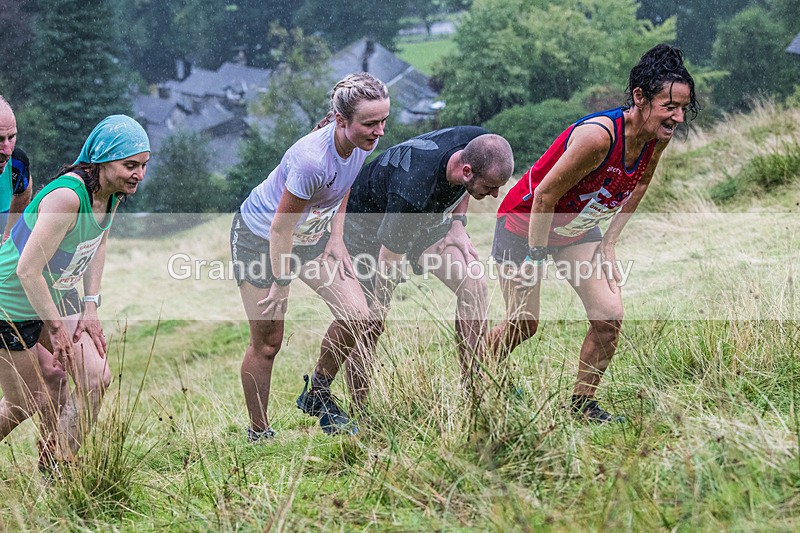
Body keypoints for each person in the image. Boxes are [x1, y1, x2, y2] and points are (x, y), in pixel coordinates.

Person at [489, 44, 699, 422]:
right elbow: (544, 196)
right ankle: (477, 377)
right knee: (524, 323)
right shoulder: (598, 137)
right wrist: (535, 259)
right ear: (639, 97)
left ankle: (582, 406)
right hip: (524, 224)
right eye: (670, 107)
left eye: (683, 108)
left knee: (608, 317)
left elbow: (639, 185)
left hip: (575, 228)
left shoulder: (656, 137)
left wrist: (610, 241)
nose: (678, 118)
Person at [297, 127, 514, 414]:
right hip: (368, 229)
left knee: (474, 283)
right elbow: (389, 258)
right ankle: (360, 412)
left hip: (425, 217)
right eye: (489, 188)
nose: (496, 195)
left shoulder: (479, 143)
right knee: (371, 324)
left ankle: (475, 391)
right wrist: (380, 302)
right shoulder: (412, 189)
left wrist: (458, 223)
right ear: (466, 171)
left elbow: (469, 184)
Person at [233, 72, 390, 440]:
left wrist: (337, 237)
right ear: (341, 120)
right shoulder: (310, 161)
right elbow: (280, 230)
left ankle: (317, 392)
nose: (380, 131)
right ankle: (260, 432)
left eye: (383, 120)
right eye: (371, 123)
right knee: (268, 342)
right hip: (261, 238)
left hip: (313, 237)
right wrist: (282, 284)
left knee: (359, 317)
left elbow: (344, 185)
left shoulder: (361, 142)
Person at [0, 114, 150, 471]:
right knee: (25, 401)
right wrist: (55, 329)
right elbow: (27, 270)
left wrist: (92, 306)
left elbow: (97, 243)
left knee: (97, 378)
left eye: (143, 166)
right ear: (102, 159)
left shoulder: (112, 193)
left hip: (55, 293)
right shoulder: (68, 197)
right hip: (10, 299)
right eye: (130, 165)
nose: (139, 175)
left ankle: (58, 467)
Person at [0, 97, 33, 242]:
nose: (7, 150)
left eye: (11, 137)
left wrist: (10, 234)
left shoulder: (17, 164)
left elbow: (24, 191)